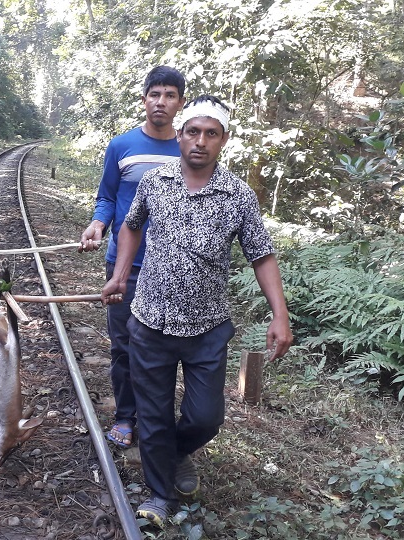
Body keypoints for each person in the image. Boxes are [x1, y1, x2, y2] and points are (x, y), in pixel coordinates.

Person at [100, 95, 293, 528]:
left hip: (207, 327)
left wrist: (280, 314)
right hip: (150, 321)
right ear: (181, 136)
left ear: (223, 140)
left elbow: (262, 255)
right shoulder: (155, 182)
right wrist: (120, 275)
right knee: (153, 415)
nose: (200, 141)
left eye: (211, 133)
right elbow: (131, 225)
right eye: (193, 131)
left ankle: (176, 450)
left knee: (206, 417)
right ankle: (160, 495)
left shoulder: (238, 195)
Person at [79, 66, 187, 449]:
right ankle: (125, 416)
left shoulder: (189, 149)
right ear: (144, 100)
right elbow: (107, 197)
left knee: (165, 347)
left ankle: (157, 418)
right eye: (154, 94)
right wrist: (98, 224)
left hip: (172, 268)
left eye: (169, 95)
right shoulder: (121, 146)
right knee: (123, 344)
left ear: (180, 103)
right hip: (125, 265)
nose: (161, 102)